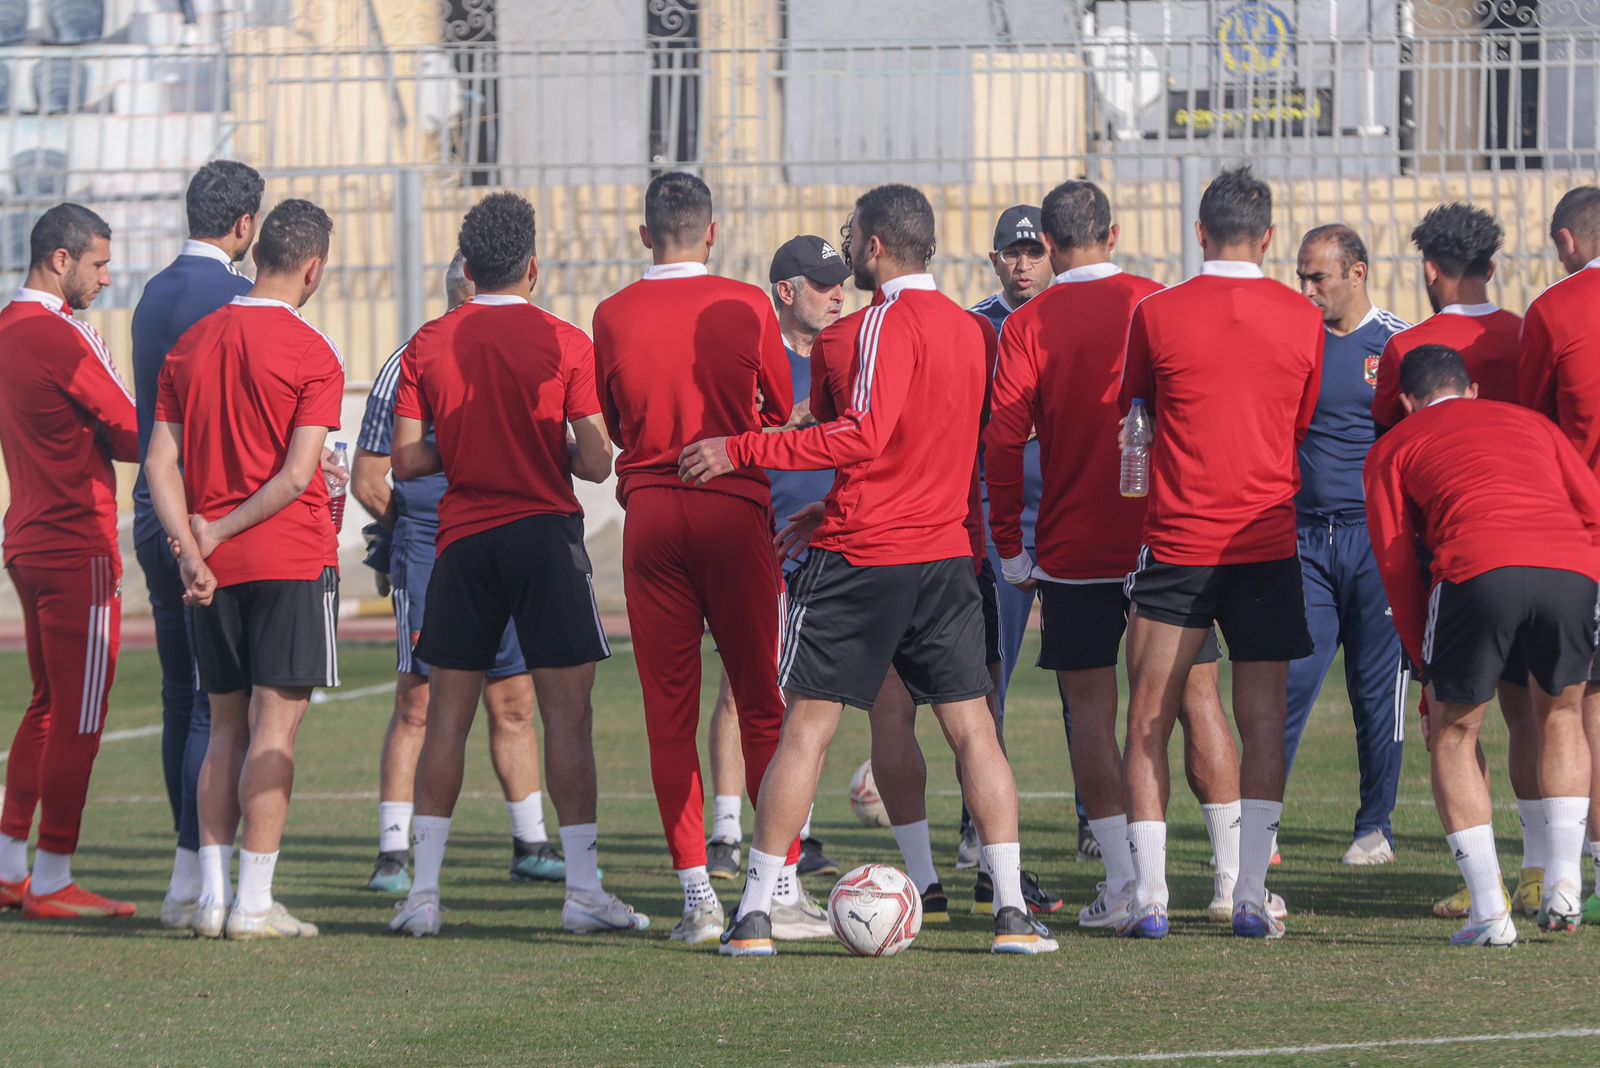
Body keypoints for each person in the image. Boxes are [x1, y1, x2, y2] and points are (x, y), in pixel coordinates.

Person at [682, 183, 1058, 957]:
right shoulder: (972, 331)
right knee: (974, 730)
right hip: (946, 558)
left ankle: (754, 914)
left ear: (876, 246)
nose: (846, 247)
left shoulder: (875, 325)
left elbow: (862, 434)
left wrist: (739, 448)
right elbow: (945, 448)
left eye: (851, 236)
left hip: (866, 558)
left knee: (808, 730)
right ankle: (1012, 914)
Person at [987, 178, 1265, 932]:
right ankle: (1231, 881)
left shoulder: (1028, 324)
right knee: (1198, 699)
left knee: (1091, 712)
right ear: (1113, 234)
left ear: (1048, 246)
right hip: (1165, 539)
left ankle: (1124, 885)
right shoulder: (1158, 302)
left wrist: (1010, 543)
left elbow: (1003, 442)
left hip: (1073, 545)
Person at [386, 192, 641, 938]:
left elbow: (406, 462)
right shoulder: (565, 342)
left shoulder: (428, 343)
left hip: (464, 542)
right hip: (543, 538)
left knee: (446, 718)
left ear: (466, 269)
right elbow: (596, 461)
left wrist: (468, 442)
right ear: (533, 266)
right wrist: (537, 442)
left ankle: (423, 895)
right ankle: (583, 889)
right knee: (567, 716)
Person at [594, 173, 819, 946]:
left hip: (652, 513)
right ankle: (778, 884)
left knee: (669, 714)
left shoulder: (612, 313)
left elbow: (617, 424)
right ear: (712, 231)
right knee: (761, 700)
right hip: (732, 504)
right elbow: (773, 407)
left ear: (644, 232)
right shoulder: (745, 303)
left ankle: (698, 896)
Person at [1118, 166, 1323, 940]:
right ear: (1267, 238)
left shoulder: (1157, 313)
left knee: (1148, 716)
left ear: (1199, 231)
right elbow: (1299, 422)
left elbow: (1136, 414)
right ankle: (1248, 893)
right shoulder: (1303, 317)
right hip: (1266, 542)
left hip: (1178, 541)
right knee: (1262, 721)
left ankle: (1150, 896)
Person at [147, 199, 344, 940]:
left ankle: (211, 898)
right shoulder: (314, 351)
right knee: (274, 733)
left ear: (257, 253)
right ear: (314, 268)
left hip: (215, 568)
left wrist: (193, 547)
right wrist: (219, 529)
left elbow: (160, 464)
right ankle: (254, 903)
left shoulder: (191, 342)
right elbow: (298, 476)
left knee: (224, 726)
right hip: (289, 557)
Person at [1365, 345, 1600, 945]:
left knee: (1454, 733)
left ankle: (1490, 913)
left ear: (1405, 402)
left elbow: (1396, 563)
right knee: (1563, 715)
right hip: (1570, 567)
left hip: (1477, 566)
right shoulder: (1533, 423)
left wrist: (1425, 670)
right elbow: (1593, 510)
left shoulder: (1393, 445)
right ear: (1471, 390)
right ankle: (1564, 882)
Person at [352, 252, 560, 895]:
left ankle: (531, 843)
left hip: (504, 545)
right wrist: (411, 532)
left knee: (514, 699)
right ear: (469, 289)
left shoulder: (526, 352)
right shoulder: (410, 360)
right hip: (433, 554)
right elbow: (369, 478)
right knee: (419, 701)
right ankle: (394, 853)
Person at [1373, 203, 1545, 920]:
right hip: (1537, 534)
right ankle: (1541, 871)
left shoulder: (1409, 347)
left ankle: (1484, 883)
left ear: (1429, 270)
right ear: (1493, 268)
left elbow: (1393, 436)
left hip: (1449, 550)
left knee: (1451, 719)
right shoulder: (1525, 333)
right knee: (1534, 711)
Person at [130, 160, 262, 929]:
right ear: (245, 225)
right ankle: (199, 877)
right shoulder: (237, 299)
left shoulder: (151, 293)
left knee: (181, 696)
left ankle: (186, 876)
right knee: (220, 704)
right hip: (204, 519)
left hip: (152, 512)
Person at [0, 203, 138, 919]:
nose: (106, 278)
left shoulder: (6, 327)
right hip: (76, 543)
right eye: (98, 264)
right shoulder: (62, 334)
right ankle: (53, 876)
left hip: (27, 536)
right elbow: (132, 431)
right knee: (80, 713)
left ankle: (9, 864)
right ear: (61, 260)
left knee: (48, 705)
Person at [704, 234, 846, 884]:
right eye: (822, 284)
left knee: (809, 697)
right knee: (742, 689)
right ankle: (726, 831)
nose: (838, 295)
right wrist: (788, 421)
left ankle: (797, 831)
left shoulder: (846, 357)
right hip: (760, 543)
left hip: (827, 546)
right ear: (786, 291)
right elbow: (727, 438)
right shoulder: (754, 360)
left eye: (840, 282)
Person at [1284, 224, 1410, 866]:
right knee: (1288, 682)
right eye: (1301, 277)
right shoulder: (1292, 337)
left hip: (1375, 542)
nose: (1307, 290)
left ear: (1357, 273)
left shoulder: (1398, 343)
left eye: (1318, 277)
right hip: (1305, 539)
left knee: (1374, 689)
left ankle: (1374, 827)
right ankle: (1258, 823)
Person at [967, 204, 1084, 869]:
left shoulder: (1073, 317)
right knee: (988, 678)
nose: (1022, 264)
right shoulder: (975, 327)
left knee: (1082, 677)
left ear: (1052, 255)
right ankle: (978, 827)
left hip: (1067, 515)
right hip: (996, 516)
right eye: (1011, 253)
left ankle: (1095, 819)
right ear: (994, 260)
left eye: (1033, 252)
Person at [1520, 185, 1600, 924]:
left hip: (1583, 535)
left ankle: (1581, 872)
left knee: (1578, 705)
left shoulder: (1556, 310)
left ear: (1567, 241)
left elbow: (1530, 424)